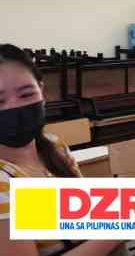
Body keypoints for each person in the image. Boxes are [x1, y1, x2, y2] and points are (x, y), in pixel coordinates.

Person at [0, 44, 125, 256]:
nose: (13, 107)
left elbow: (83, 218)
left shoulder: (55, 147)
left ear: (42, 90)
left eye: (26, 94)